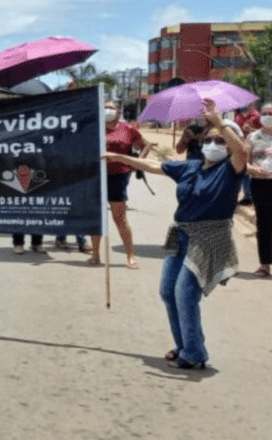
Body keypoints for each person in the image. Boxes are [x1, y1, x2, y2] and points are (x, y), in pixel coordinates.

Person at [104, 99, 244, 370]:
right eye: (209, 139)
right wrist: (120, 157)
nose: (214, 144)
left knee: (185, 292)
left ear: (229, 146)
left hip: (209, 237)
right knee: (168, 291)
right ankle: (184, 345)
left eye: (221, 141)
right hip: (179, 233)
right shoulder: (191, 167)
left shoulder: (231, 169)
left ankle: (194, 353)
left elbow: (241, 151)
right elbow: (155, 166)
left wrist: (219, 123)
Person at [89, 100, 153, 269]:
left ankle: (130, 255)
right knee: (96, 216)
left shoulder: (128, 129)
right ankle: (95, 254)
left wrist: (137, 163)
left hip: (118, 176)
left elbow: (146, 145)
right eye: (105, 107)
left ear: (119, 111)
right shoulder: (95, 127)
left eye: (111, 107)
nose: (107, 110)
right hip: (97, 176)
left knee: (120, 218)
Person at [247, 101, 272, 277]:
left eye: (271, 114)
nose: (268, 117)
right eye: (264, 113)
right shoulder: (252, 137)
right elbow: (244, 163)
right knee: (263, 224)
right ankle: (264, 265)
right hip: (260, 184)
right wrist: (253, 170)